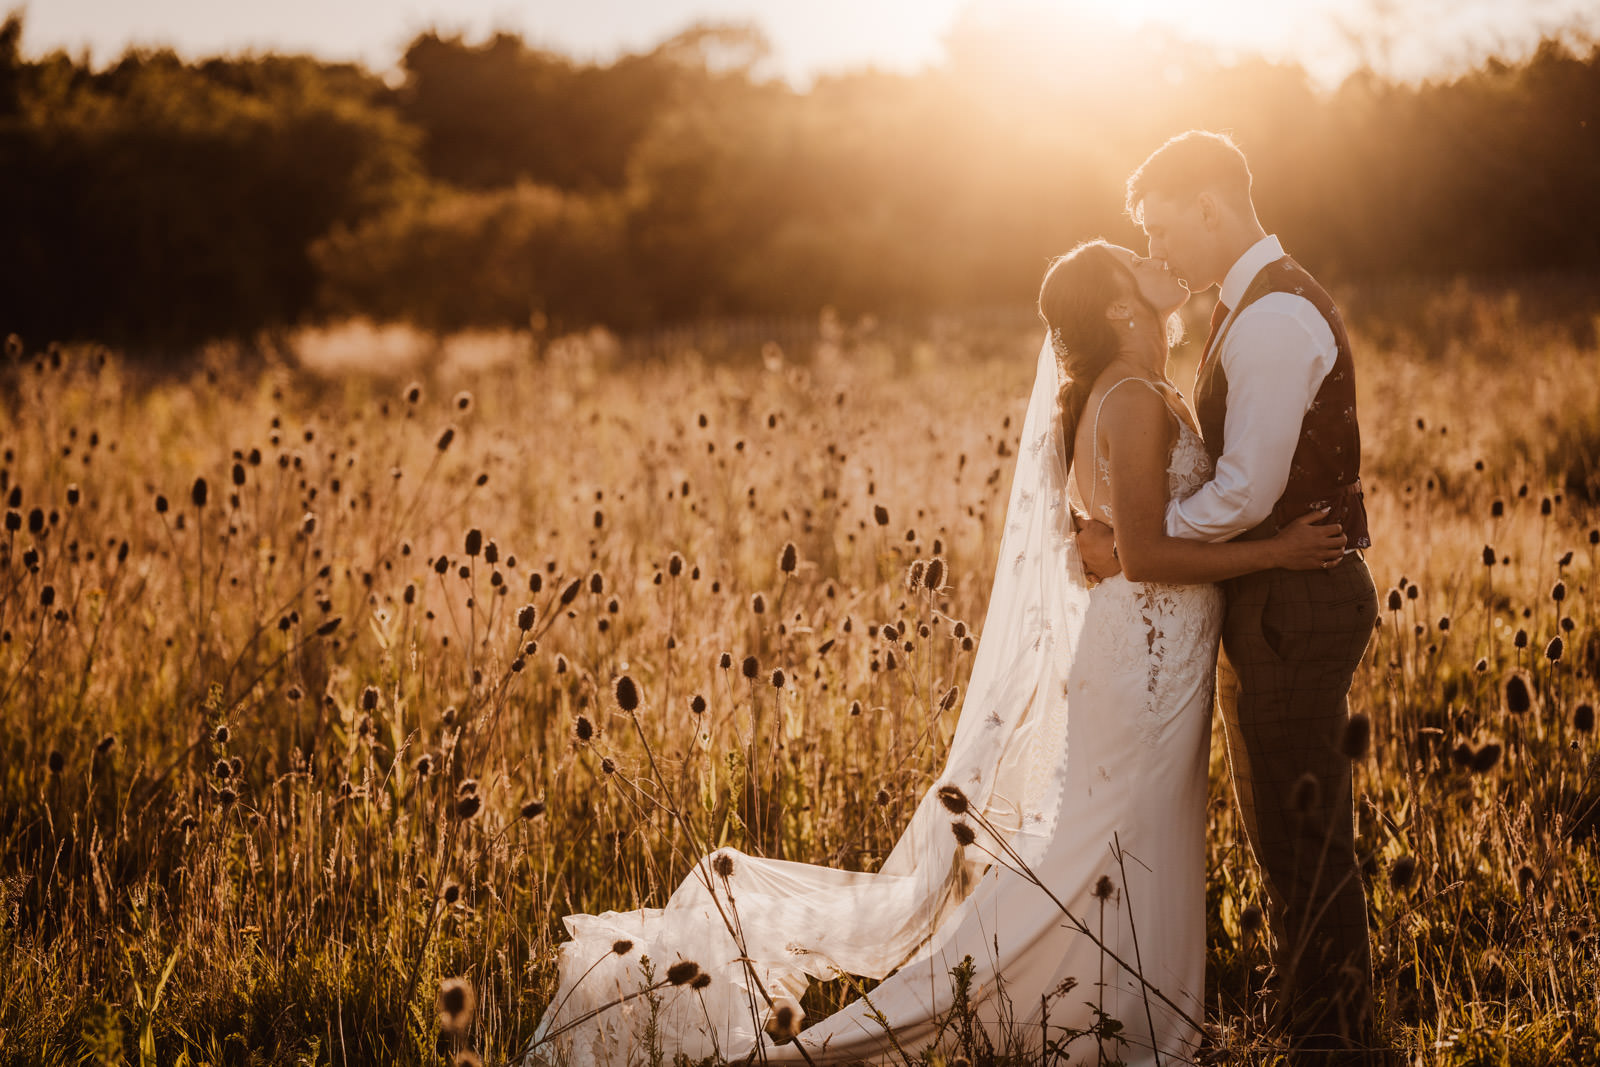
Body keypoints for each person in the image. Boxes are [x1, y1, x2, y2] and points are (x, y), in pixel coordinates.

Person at [522, 240, 1344, 1067]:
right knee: (1099, 852)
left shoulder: (1141, 389)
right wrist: (1279, 555)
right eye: (1134, 259)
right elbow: (1148, 553)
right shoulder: (1131, 398)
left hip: (1157, 652)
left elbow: (1127, 540)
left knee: (1118, 849)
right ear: (1121, 308)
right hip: (1149, 661)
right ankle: (1059, 1023)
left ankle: (1115, 1013)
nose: (1152, 255)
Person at [1081, 130, 1381, 1063]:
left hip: (1301, 596)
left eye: (1166, 226)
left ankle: (1337, 1042)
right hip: (1276, 591)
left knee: (1302, 834)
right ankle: (1322, 1029)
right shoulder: (1244, 305)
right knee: (1285, 831)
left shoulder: (1271, 316)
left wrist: (1147, 547)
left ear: (1211, 204)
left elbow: (1249, 487)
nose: (1161, 250)